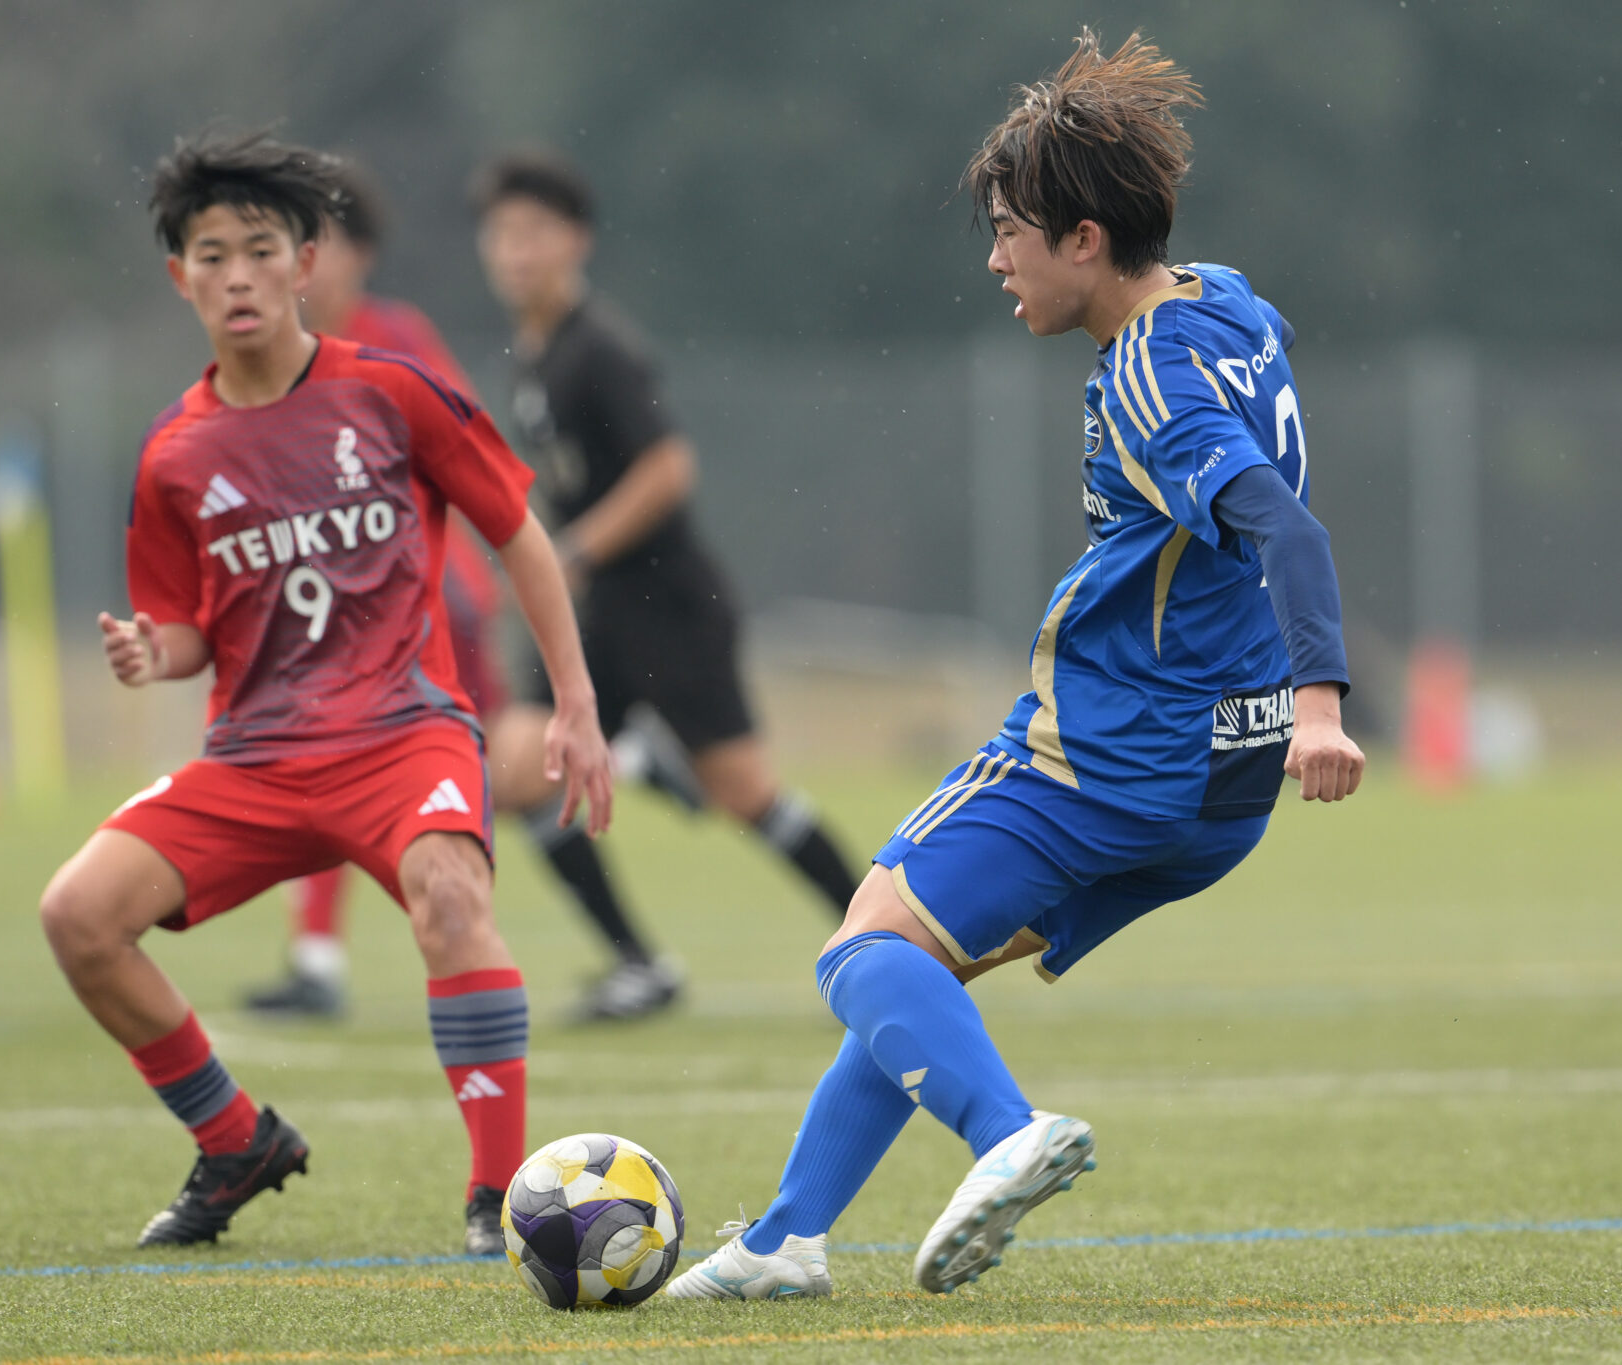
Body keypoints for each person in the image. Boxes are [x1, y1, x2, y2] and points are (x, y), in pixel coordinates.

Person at [667, 30, 1364, 1301]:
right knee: (915, 969)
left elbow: (1289, 532)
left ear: (1085, 240)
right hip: (1220, 786)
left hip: (1104, 752)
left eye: (1008, 233)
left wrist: (1325, 707)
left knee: (858, 955)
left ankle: (1007, 1135)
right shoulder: (1223, 298)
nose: (993, 261)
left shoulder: (1152, 382)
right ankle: (783, 1243)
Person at [36, 131, 610, 1254]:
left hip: (403, 735)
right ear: (180, 277)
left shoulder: (391, 392)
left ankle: (497, 1195)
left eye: (261, 250)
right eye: (212, 256)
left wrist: (575, 701)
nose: (238, 276)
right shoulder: (173, 454)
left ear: (307, 263)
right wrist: (156, 653)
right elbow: (188, 629)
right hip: (251, 760)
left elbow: (517, 533)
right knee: (77, 916)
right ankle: (235, 1140)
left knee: (453, 899)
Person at [241, 158, 692, 1020]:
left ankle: (326, 961)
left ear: (356, 254)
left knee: (407, 761)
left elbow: (467, 452)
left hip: (430, 603)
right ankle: (631, 908)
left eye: (312, 242)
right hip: (344, 611)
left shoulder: (392, 337)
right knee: (415, 765)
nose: (294, 264)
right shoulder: (271, 355)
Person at [470, 149, 864, 1021]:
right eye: (501, 235)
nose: (515, 251)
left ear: (577, 241)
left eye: (534, 233)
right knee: (518, 767)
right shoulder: (533, 355)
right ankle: (639, 963)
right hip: (601, 614)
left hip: (669, 608)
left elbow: (668, 468)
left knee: (746, 794)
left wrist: (572, 550)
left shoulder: (599, 349)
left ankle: (889, 944)